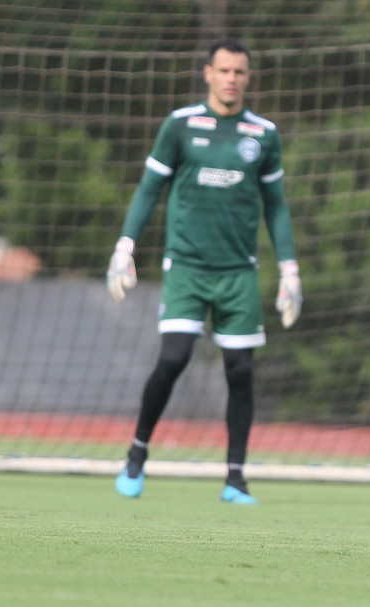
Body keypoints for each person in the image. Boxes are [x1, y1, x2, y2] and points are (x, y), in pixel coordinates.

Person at [107, 38, 302, 504]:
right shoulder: (180, 125)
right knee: (172, 359)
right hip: (187, 268)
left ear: (247, 78)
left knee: (240, 370)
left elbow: (275, 206)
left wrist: (290, 269)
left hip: (239, 273)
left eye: (240, 72)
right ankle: (137, 453)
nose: (232, 78)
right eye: (224, 70)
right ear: (207, 73)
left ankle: (235, 478)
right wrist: (124, 246)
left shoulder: (263, 134)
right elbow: (150, 188)